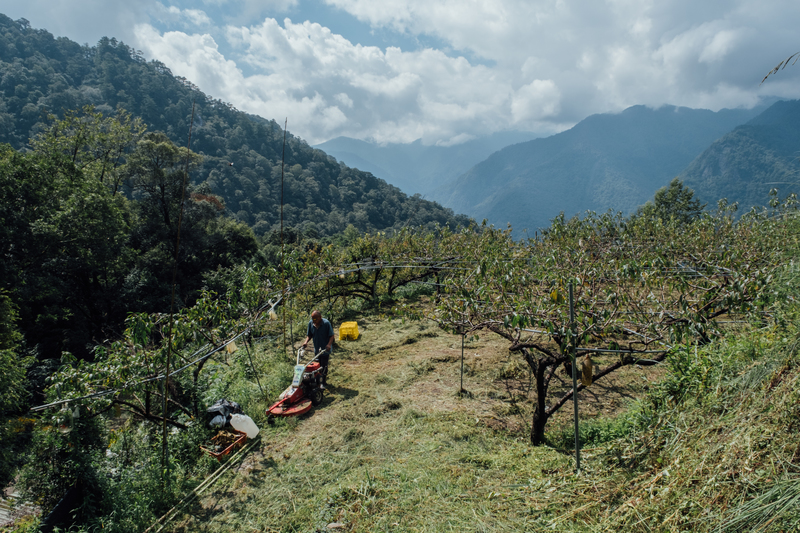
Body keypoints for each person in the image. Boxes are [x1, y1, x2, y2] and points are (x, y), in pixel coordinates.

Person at [301, 310, 334, 389]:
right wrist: (305, 342)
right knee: (316, 366)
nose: (314, 321)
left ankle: (323, 382)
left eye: (315, 319)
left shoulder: (326, 323)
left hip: (325, 349)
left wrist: (329, 344)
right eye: (312, 319)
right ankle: (317, 381)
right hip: (317, 349)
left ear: (320, 317)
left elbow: (331, 335)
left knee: (323, 366)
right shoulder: (311, 323)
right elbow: (309, 335)